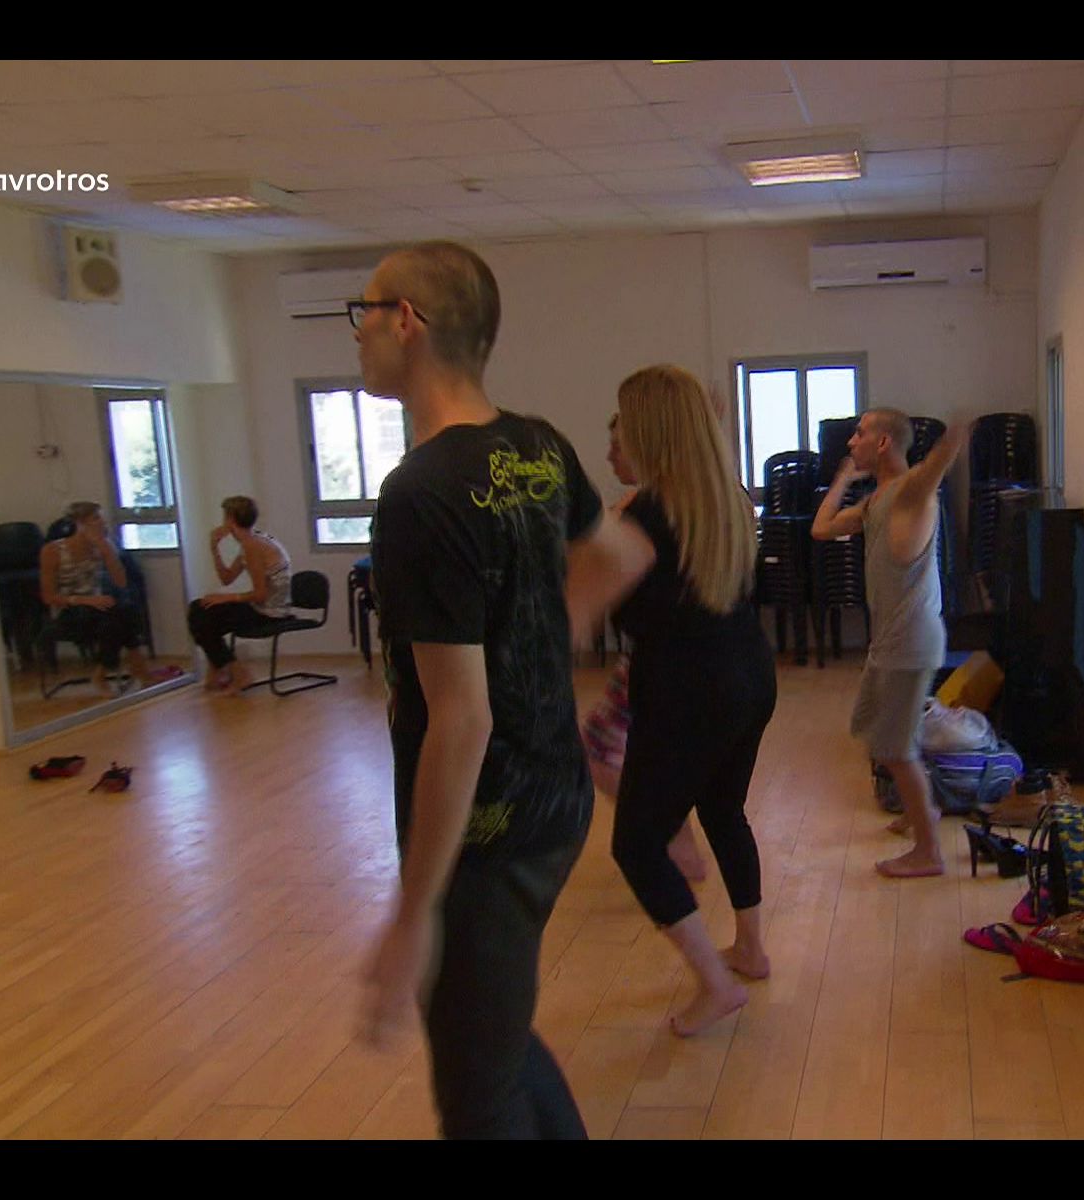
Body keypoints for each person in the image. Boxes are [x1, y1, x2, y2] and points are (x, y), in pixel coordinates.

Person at [352, 239, 608, 1139]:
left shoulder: (420, 493)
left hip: (488, 829)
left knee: (475, 1093)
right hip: (556, 798)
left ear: (406, 322)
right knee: (491, 1038)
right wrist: (542, 644)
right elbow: (612, 555)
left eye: (363, 312)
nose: (357, 332)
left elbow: (459, 719)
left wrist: (411, 913)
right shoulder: (540, 446)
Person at [566, 365, 777, 1037]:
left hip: (691, 694)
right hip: (749, 679)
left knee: (636, 844)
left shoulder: (646, 518)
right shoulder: (724, 500)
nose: (615, 439)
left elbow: (573, 619)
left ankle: (717, 985)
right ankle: (749, 948)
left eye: (624, 425)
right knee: (722, 809)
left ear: (649, 432)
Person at [810, 408, 970, 878]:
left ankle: (929, 851)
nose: (850, 441)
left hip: (910, 642)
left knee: (894, 747)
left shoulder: (911, 492)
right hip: (888, 643)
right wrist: (844, 477)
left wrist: (953, 438)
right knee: (876, 734)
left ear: (883, 443)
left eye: (859, 434)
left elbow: (933, 469)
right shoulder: (875, 502)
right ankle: (922, 809)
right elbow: (821, 528)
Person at [580, 413, 710, 882]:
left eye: (618, 446)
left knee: (599, 752)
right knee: (631, 754)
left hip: (661, 660)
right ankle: (677, 841)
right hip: (663, 658)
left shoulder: (647, 508)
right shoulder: (677, 500)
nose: (610, 455)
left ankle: (673, 843)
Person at [38, 501, 156, 693]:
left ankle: (104, 673)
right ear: (80, 523)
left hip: (100, 607)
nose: (102, 522)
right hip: (71, 609)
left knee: (121, 612)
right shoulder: (53, 551)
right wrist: (86, 600)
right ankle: (138, 669)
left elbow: (121, 582)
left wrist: (105, 549)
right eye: (96, 518)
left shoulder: (104, 546)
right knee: (119, 617)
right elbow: (48, 596)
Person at [188, 495, 292, 694]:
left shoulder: (253, 545)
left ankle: (235, 672)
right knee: (200, 611)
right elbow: (226, 578)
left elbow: (260, 595)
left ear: (230, 519)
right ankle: (222, 668)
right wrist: (214, 548)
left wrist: (226, 598)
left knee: (200, 615)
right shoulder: (251, 542)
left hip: (270, 613)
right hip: (262, 607)